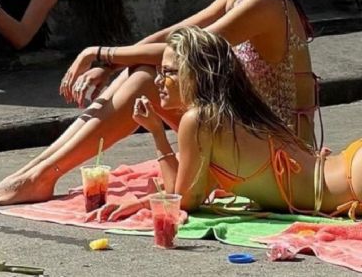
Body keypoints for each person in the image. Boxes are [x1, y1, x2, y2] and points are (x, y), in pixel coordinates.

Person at [0, 0, 317, 206]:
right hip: (244, 128)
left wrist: (101, 53)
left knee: (146, 81)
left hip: (277, 147)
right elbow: (171, 34)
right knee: (139, 70)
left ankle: (42, 177)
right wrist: (112, 64)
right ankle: (36, 170)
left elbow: (183, 50)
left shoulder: (266, 4)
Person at [93, 27, 359, 221]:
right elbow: (190, 190)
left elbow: (184, 200)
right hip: (349, 171)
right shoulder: (230, 112)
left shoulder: (199, 120)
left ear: (196, 74)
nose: (158, 81)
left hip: (349, 183)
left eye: (168, 72)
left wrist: (157, 134)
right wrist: (144, 199)